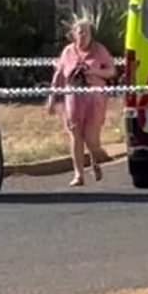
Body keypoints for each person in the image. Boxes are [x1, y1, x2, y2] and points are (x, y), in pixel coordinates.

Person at [48, 13, 117, 186]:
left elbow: (111, 71)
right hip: (73, 98)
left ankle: (96, 158)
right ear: (74, 34)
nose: (84, 35)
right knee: (76, 135)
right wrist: (52, 99)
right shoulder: (68, 51)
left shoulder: (99, 50)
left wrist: (94, 72)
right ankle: (79, 175)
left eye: (87, 32)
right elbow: (59, 76)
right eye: (80, 32)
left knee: (91, 139)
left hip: (95, 98)